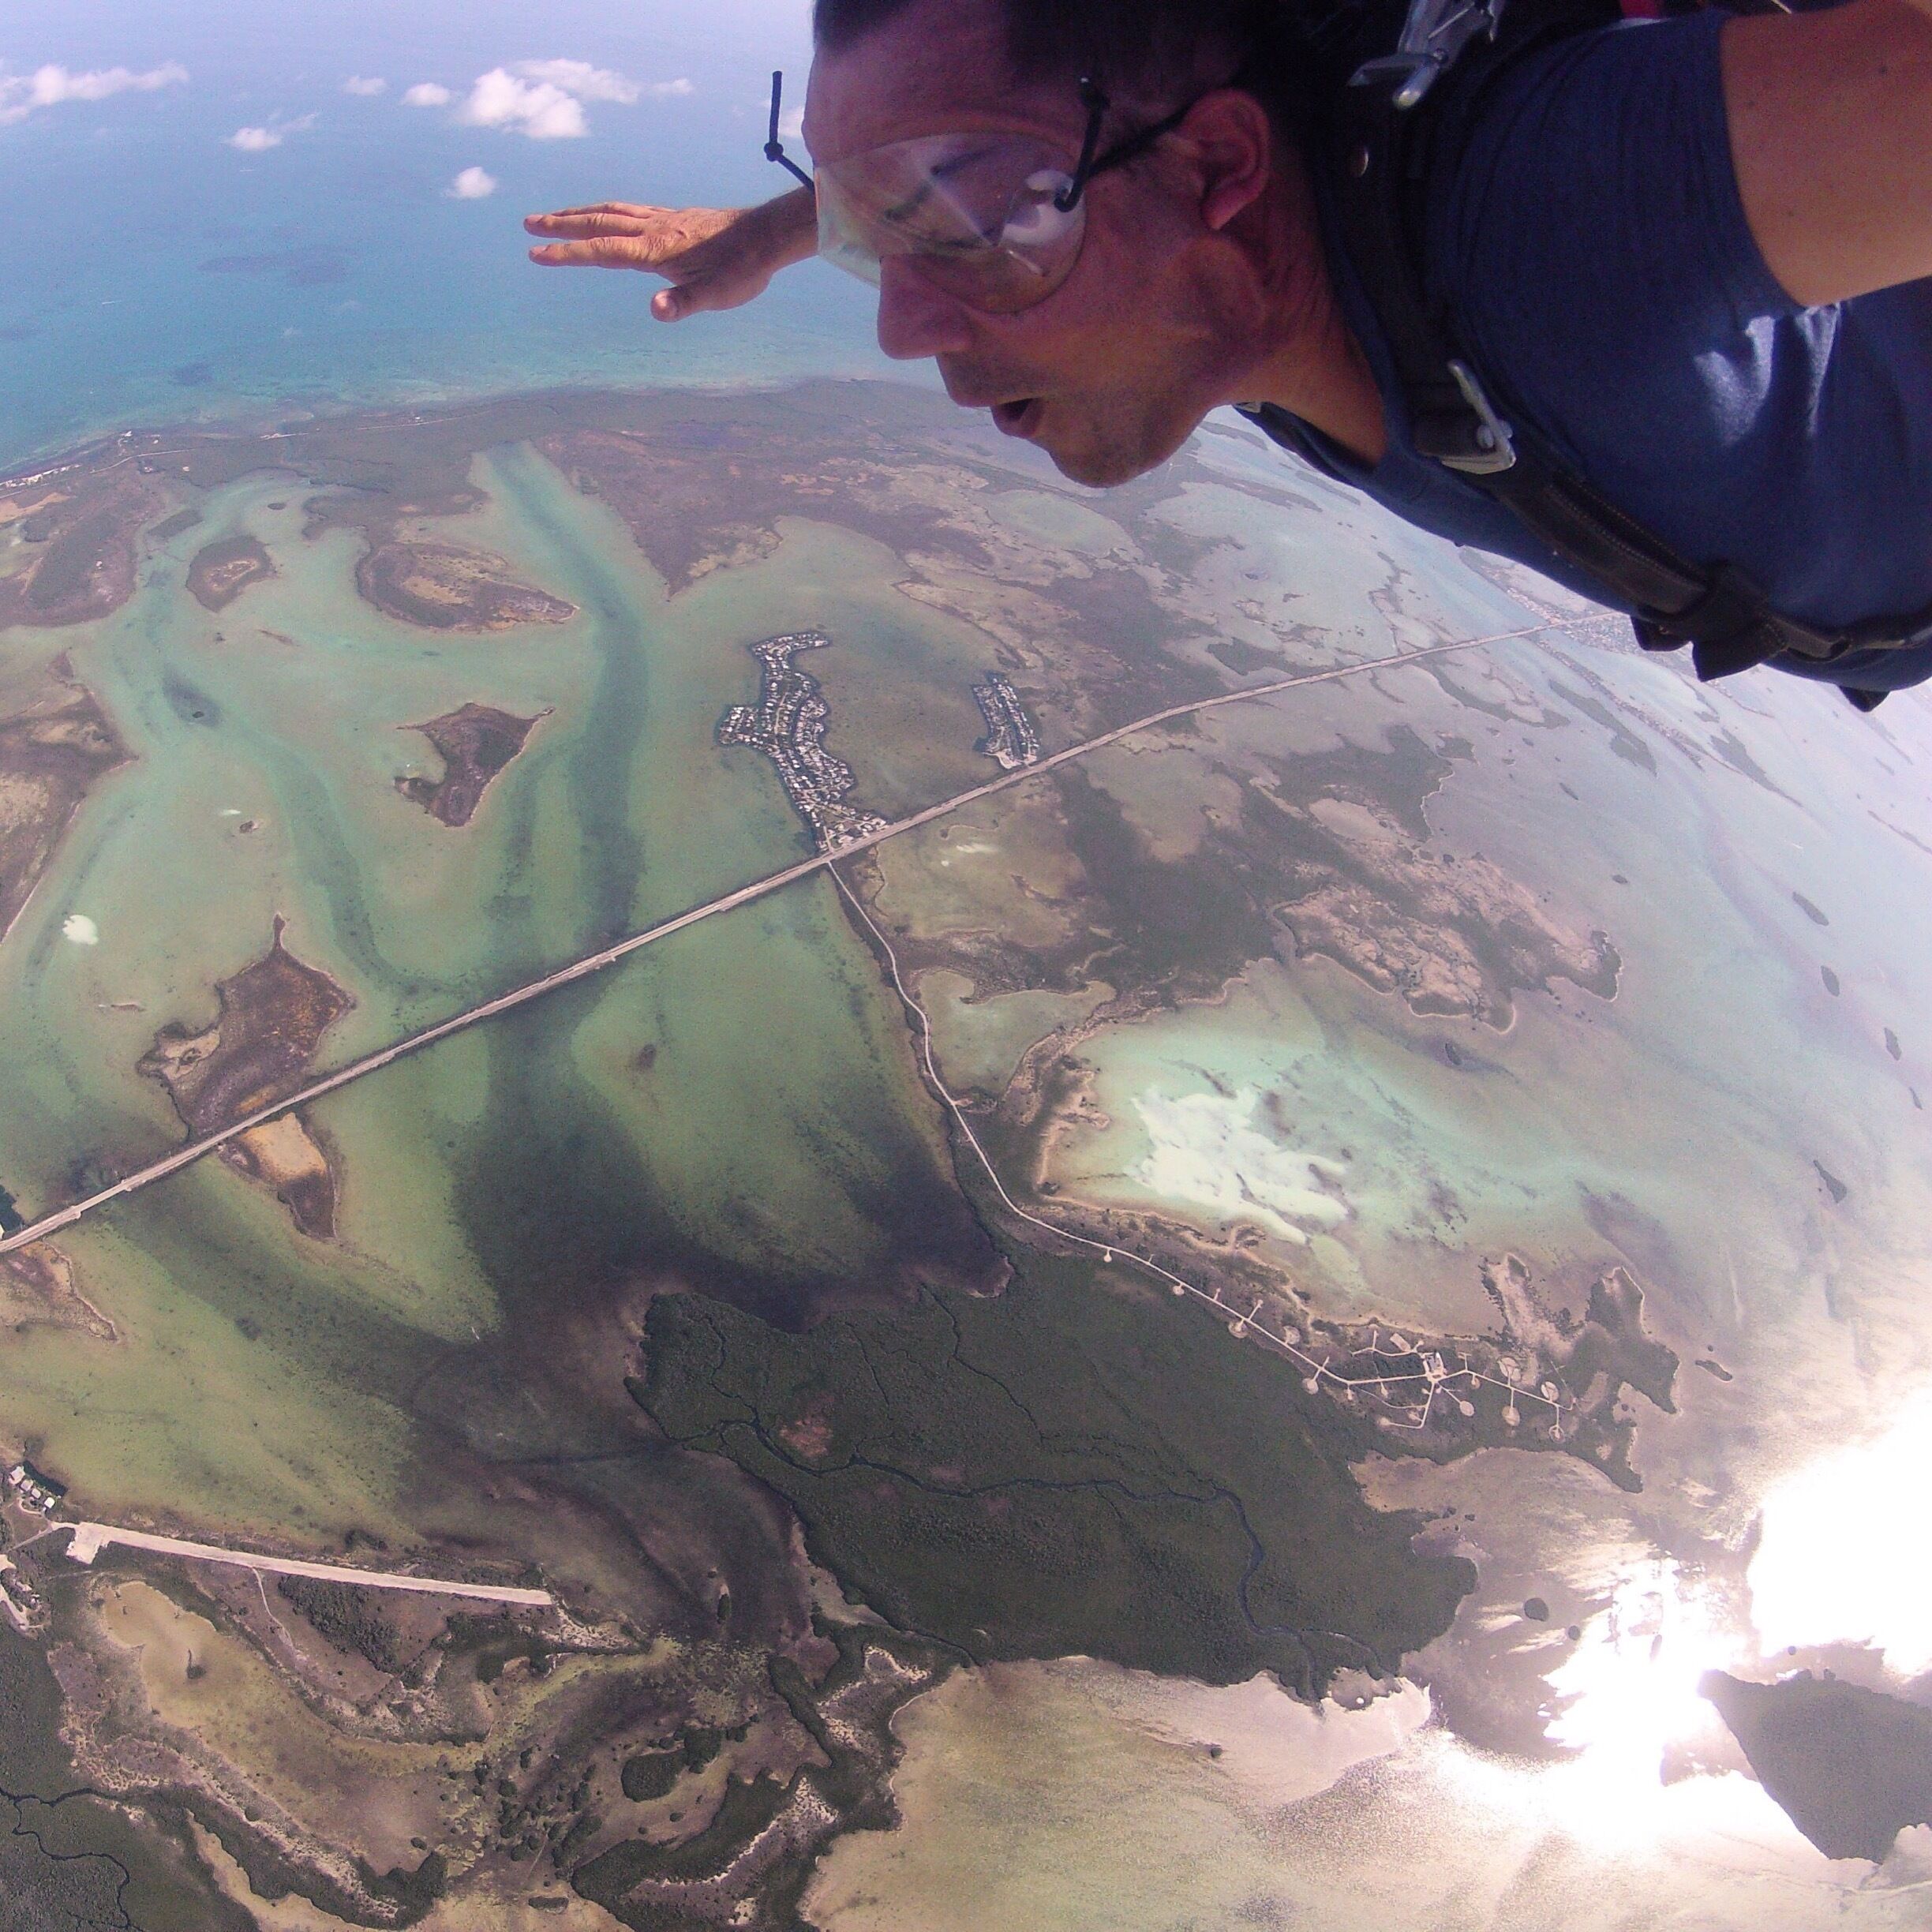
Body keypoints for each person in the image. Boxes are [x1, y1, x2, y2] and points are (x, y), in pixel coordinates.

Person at [525, 0, 1932, 702]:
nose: (905, 328)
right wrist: (780, 232)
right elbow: (1063, 177)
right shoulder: (1205, 294)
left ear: (1220, 169)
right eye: (880, 229)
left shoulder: (1548, 213)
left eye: (961, 222)